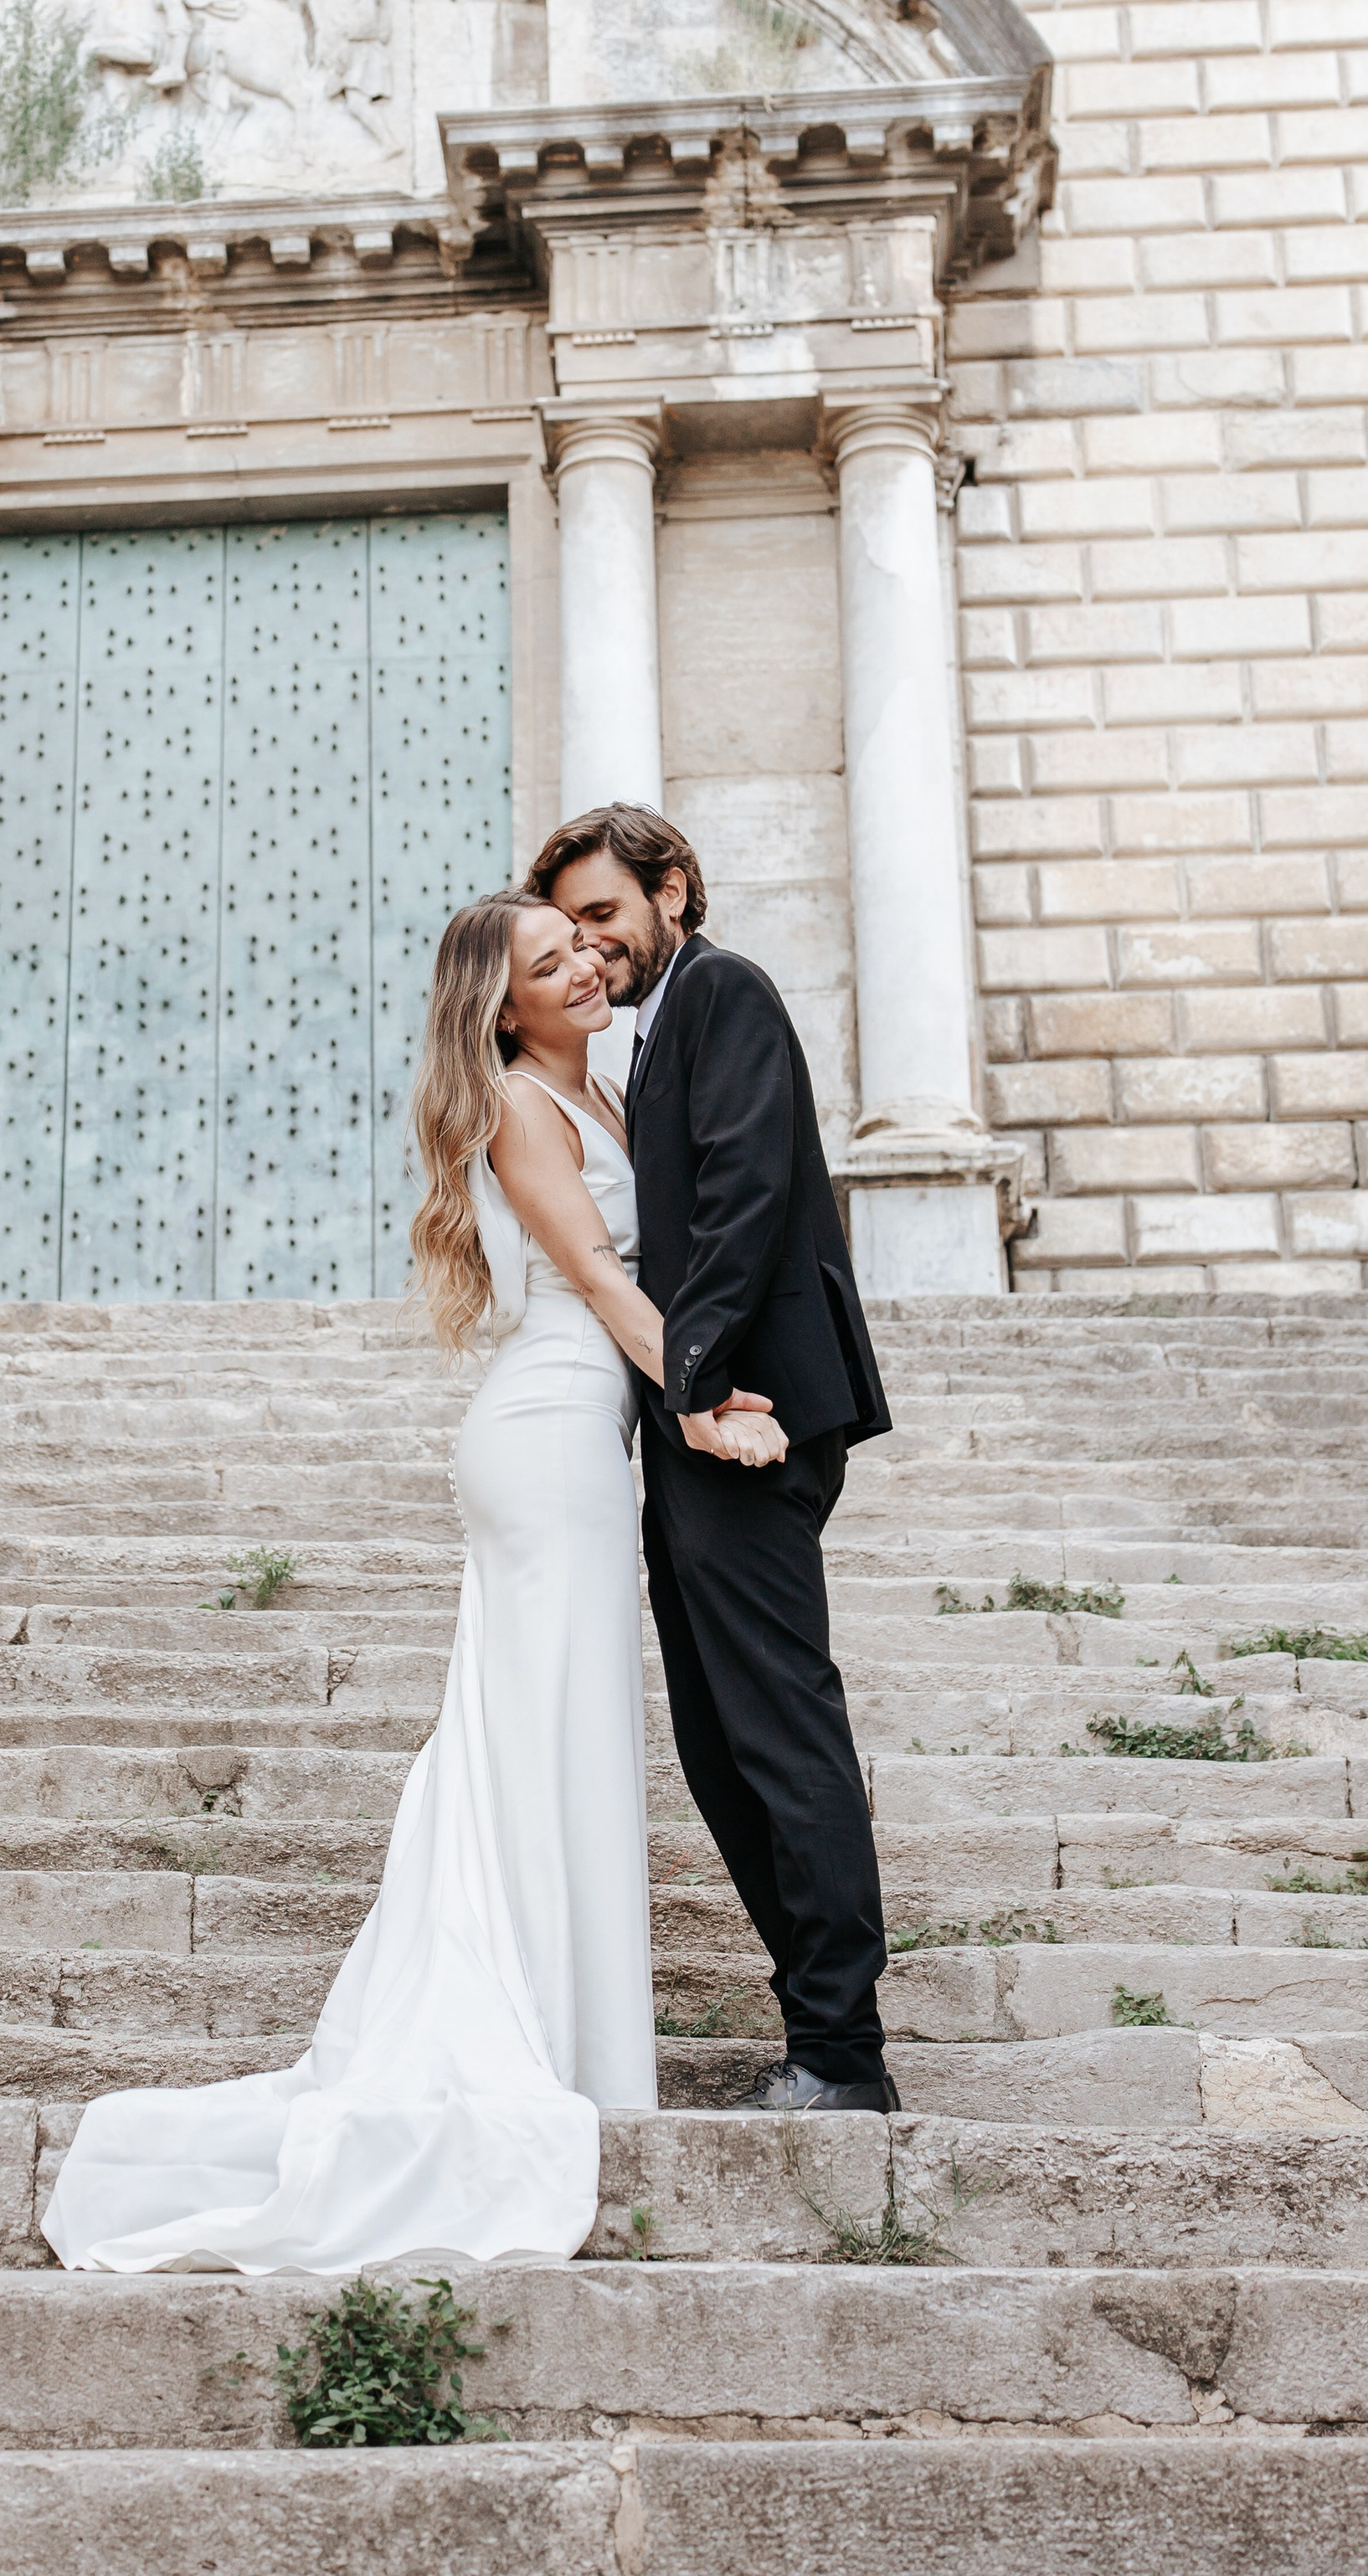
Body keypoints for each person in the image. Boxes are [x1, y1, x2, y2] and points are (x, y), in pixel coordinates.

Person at [40, 888, 740, 2274]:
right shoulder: (525, 1113)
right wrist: (709, 1401)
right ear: (502, 1007)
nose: (587, 967)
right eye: (551, 962)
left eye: (588, 946)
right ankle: (564, 2054)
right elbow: (599, 1277)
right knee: (551, 1735)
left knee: (551, 1741)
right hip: (550, 1434)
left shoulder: (588, 1092)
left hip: (574, 1430)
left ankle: (582, 2043)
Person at [531, 804, 898, 2116]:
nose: (591, 944)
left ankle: (841, 2054)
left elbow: (744, 1196)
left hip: (746, 1415)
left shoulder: (723, 988)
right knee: (716, 1737)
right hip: (698, 1431)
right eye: (569, 926)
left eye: (606, 913)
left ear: (671, 888)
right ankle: (815, 2018)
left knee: (776, 1725)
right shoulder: (657, 1025)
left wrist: (690, 1387)